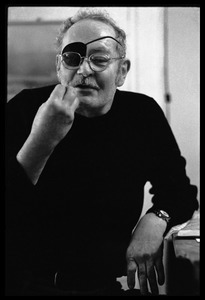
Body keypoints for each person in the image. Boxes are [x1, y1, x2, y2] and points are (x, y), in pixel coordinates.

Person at [5, 8, 199, 296]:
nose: (84, 70)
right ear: (60, 67)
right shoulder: (24, 109)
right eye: (72, 58)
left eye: (99, 59)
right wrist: (42, 139)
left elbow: (180, 193)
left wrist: (157, 217)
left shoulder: (142, 115)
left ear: (121, 71)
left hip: (102, 286)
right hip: (22, 283)